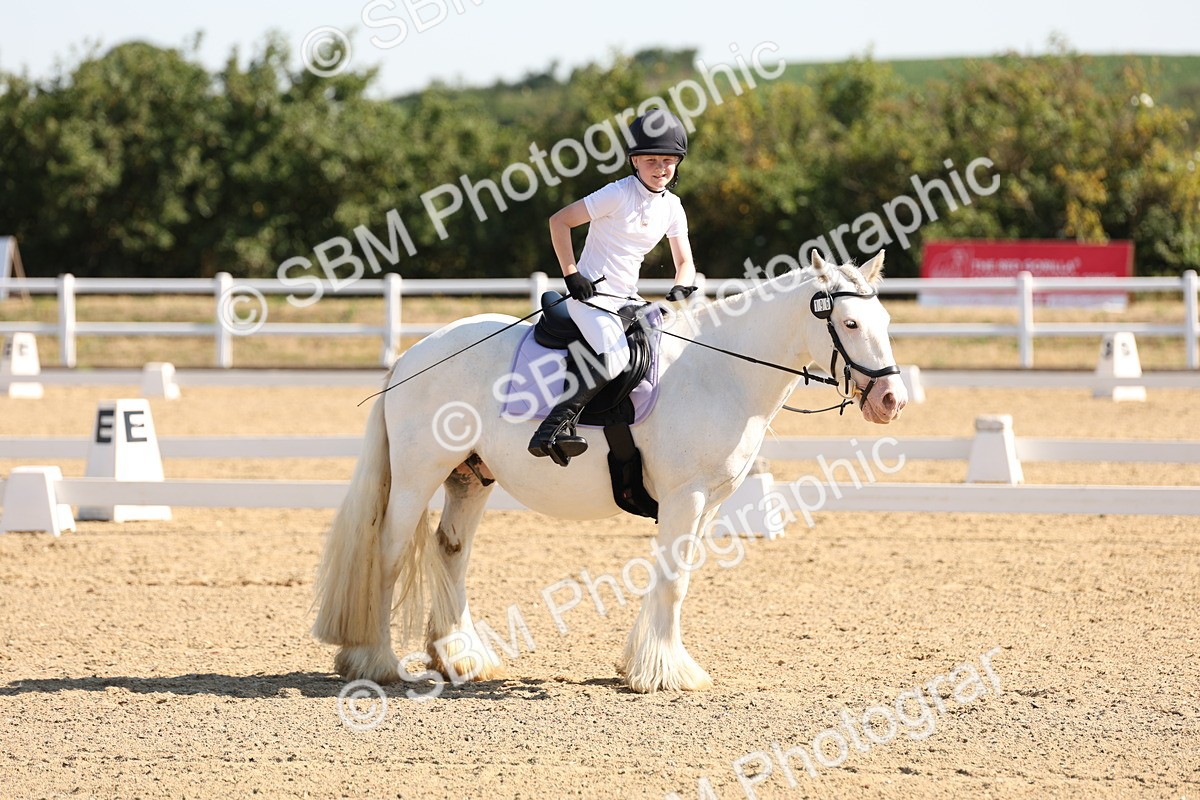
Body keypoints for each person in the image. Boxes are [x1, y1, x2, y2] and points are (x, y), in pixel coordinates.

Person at [527, 107, 698, 464]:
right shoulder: (616, 194)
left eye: (668, 160)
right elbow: (559, 222)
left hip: (626, 298)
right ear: (635, 161)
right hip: (591, 297)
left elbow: (684, 262)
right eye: (651, 160)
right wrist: (572, 274)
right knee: (617, 355)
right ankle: (552, 428)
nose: (661, 168)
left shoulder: (673, 207)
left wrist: (680, 287)